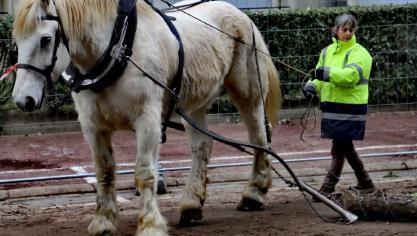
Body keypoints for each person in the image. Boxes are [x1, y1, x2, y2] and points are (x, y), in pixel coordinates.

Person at [303, 14, 375, 198]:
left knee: (339, 148)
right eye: (344, 30)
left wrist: (324, 74)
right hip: (332, 107)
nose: (348, 33)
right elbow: (320, 76)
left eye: (351, 30)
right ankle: (365, 182)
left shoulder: (360, 53)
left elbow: (350, 77)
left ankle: (326, 189)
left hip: (350, 107)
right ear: (336, 30)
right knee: (345, 147)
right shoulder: (326, 52)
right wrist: (313, 85)